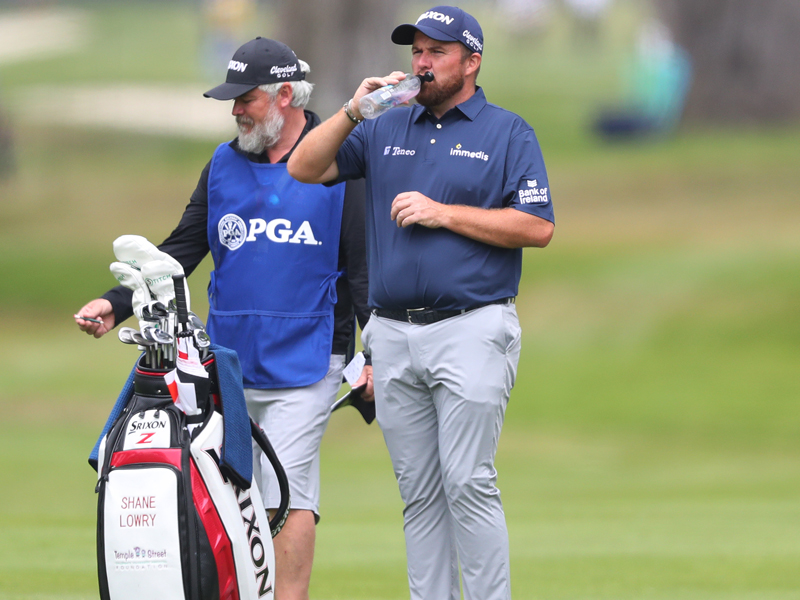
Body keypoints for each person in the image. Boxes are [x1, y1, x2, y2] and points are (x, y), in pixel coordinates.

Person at [75, 37, 373, 600]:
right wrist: (115, 305)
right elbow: (181, 248)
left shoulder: (340, 160)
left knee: (286, 487)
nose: (235, 109)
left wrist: (371, 355)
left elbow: (361, 266)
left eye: (247, 98)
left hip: (310, 358)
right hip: (226, 362)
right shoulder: (222, 164)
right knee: (229, 488)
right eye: (231, 99)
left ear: (285, 95)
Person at [287, 6, 554, 600]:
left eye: (436, 52)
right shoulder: (384, 126)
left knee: (468, 482)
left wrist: (443, 214)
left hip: (472, 326)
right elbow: (302, 167)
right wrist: (354, 110)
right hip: (392, 335)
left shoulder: (507, 132)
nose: (422, 63)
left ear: (471, 61)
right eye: (416, 52)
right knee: (421, 492)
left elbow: (537, 227)